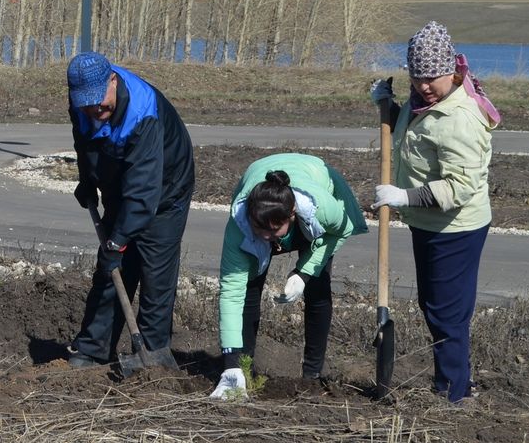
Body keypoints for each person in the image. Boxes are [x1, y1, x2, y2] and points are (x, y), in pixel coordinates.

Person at [371, 20, 500, 403]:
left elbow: (461, 187)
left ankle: (453, 393)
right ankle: (455, 383)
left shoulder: (459, 118)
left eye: (432, 77)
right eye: (417, 76)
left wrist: (403, 197)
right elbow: (414, 134)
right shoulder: (426, 102)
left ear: (452, 71)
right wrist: (388, 108)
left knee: (447, 314)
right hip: (429, 224)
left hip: (455, 227)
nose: (424, 85)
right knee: (435, 306)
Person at [64, 51, 195, 369]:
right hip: (122, 186)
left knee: (155, 274)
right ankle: (94, 348)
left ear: (113, 80)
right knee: (111, 270)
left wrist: (117, 240)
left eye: (100, 100)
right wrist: (88, 180)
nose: (95, 109)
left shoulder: (142, 111)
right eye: (87, 103)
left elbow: (143, 194)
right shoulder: (83, 101)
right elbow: (85, 143)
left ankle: (153, 353)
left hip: (164, 191)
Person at [209, 154, 368, 398]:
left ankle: (311, 376)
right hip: (260, 179)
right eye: (258, 228)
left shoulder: (321, 208)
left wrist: (304, 272)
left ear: (291, 214)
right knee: (249, 288)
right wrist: (230, 364)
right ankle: (242, 370)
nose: (264, 236)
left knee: (318, 286)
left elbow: (341, 230)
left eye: (271, 230)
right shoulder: (239, 226)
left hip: (314, 191)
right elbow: (231, 293)